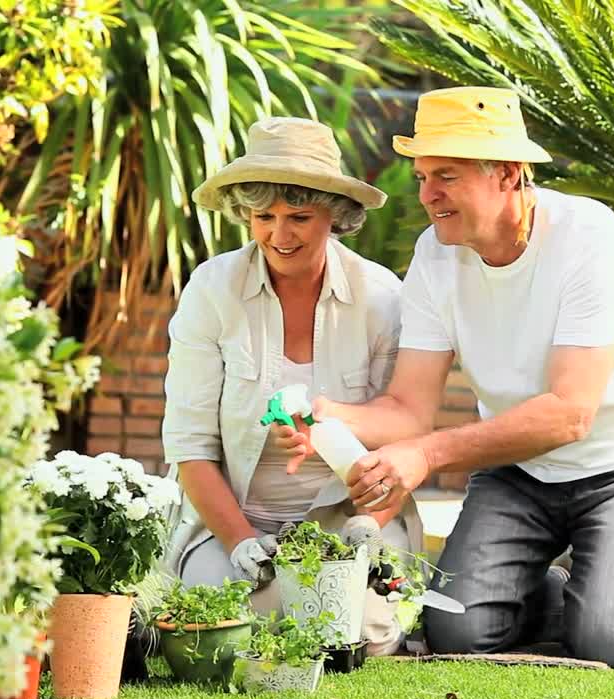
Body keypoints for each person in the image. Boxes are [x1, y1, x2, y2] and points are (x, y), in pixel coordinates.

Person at [275, 87, 614, 667]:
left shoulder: (590, 240)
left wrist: (425, 455)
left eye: (445, 175)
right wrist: (330, 417)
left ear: (508, 174)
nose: (427, 195)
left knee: (607, 642)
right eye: (422, 177)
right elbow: (409, 407)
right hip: (519, 471)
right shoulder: (435, 255)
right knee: (456, 632)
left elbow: (571, 412)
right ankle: (588, 591)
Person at [160, 116, 423, 656]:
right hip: (233, 519)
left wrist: (366, 527)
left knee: (364, 636)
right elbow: (189, 446)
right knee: (226, 627)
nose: (280, 236)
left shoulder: (380, 297)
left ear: (335, 215)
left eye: (299, 216)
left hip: (346, 519)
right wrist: (240, 544)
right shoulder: (212, 290)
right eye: (264, 216)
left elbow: (404, 434)